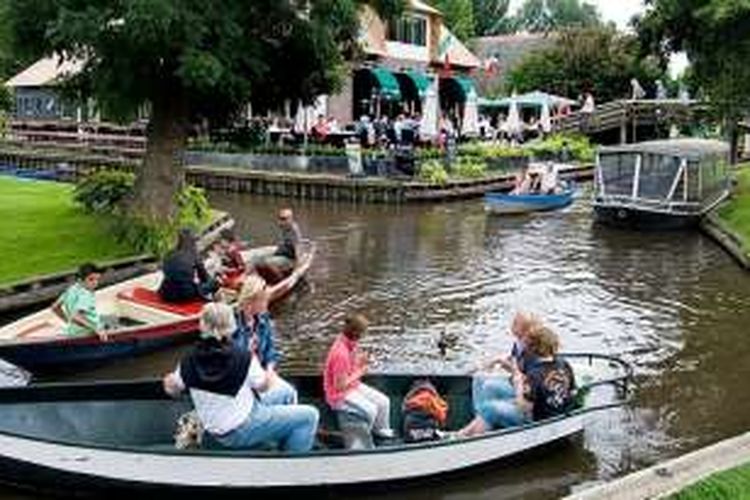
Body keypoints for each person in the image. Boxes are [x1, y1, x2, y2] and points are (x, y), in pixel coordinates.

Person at [163, 302, 319, 452]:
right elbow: (264, 386)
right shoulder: (243, 357)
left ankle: (278, 441)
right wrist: (269, 371)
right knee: (310, 416)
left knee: (285, 393)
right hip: (243, 428)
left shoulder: (187, 360)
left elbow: (172, 389)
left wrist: (169, 381)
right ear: (231, 326)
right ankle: (289, 465)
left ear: (202, 325)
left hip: (217, 426)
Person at [456, 323, 575, 438]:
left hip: (537, 420)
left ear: (533, 348)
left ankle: (463, 436)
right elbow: (572, 391)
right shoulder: (563, 364)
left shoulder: (535, 374)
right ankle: (475, 427)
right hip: (556, 411)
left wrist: (519, 386)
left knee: (489, 408)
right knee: (491, 393)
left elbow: (524, 409)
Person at [232, 268, 312, 405]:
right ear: (251, 302)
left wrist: (269, 371)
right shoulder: (233, 325)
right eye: (264, 300)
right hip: (242, 379)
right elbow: (233, 360)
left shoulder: (263, 319)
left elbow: (271, 351)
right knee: (287, 393)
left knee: (291, 392)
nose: (267, 303)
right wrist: (248, 351)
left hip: (262, 373)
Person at [323, 313, 395, 445]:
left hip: (352, 386)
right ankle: (367, 439)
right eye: (363, 333)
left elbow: (352, 365)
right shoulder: (340, 353)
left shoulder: (351, 344)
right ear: (356, 333)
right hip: (338, 395)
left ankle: (381, 431)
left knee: (384, 402)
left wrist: (362, 361)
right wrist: (361, 371)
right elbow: (340, 385)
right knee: (371, 410)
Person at [51, 263, 108, 341]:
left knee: (107, 319)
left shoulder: (71, 289)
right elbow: (76, 316)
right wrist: (96, 328)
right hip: (86, 334)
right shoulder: (86, 295)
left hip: (72, 332)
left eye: (97, 279)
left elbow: (55, 307)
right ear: (81, 280)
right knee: (113, 321)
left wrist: (68, 321)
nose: (95, 283)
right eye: (91, 279)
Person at [159, 228, 216, 303]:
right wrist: (210, 283)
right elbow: (203, 276)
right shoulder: (194, 255)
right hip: (185, 295)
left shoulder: (169, 253)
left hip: (166, 293)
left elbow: (166, 271)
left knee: (178, 282)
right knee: (213, 283)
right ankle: (215, 301)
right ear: (193, 242)